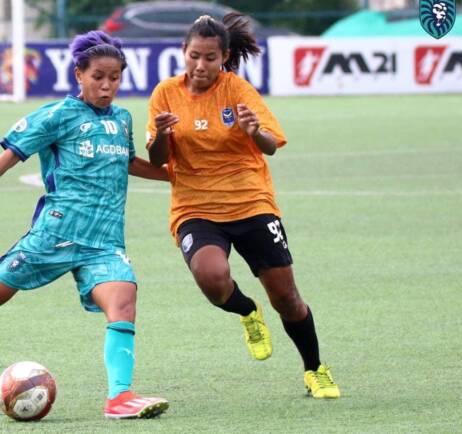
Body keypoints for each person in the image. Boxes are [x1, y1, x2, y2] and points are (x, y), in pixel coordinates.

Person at [0, 30, 170, 419]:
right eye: (98, 76)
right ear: (79, 74)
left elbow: (127, 163)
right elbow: (11, 154)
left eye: (114, 77)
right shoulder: (58, 115)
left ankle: (119, 397)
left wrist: (176, 177)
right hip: (56, 234)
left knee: (124, 300)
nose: (107, 85)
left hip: (104, 240)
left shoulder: (122, 119)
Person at [146, 14, 341, 399]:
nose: (201, 66)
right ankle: (247, 311)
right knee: (211, 278)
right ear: (183, 53)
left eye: (210, 58)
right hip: (195, 206)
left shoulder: (238, 91)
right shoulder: (165, 94)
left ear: (225, 57)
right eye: (194, 56)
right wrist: (162, 136)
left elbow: (271, 145)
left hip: (251, 201)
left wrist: (255, 132)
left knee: (286, 298)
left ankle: (315, 369)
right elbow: (156, 160)